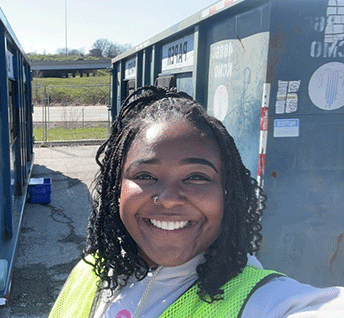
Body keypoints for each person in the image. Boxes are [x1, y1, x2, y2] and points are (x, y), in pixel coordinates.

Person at [49, 86, 344, 318]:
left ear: (227, 192)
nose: (167, 199)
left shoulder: (263, 301)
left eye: (196, 177)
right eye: (146, 175)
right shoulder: (92, 272)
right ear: (117, 189)